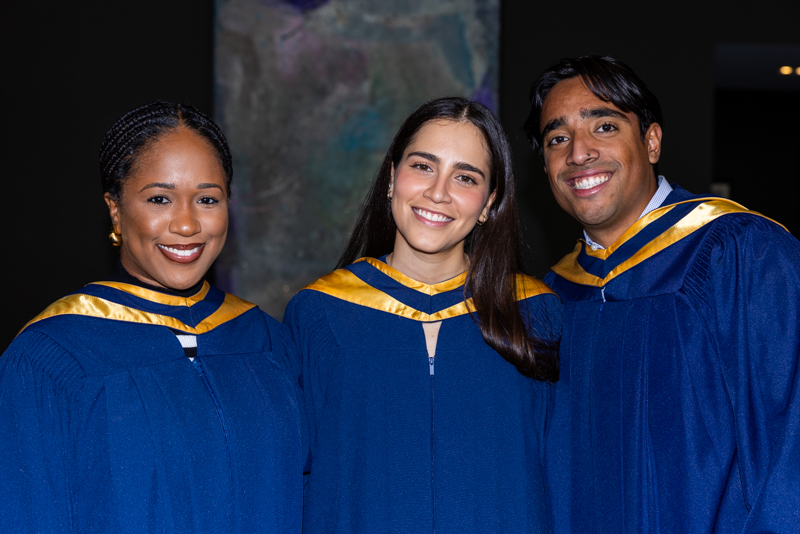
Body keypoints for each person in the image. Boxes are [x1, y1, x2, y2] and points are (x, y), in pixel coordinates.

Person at [523, 55, 800, 533]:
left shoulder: (738, 252)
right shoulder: (551, 298)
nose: (578, 153)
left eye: (604, 126)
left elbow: (788, 445)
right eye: (557, 139)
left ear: (651, 142)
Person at [0, 102, 304, 533]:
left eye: (207, 199)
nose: (187, 224)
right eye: (160, 199)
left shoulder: (267, 341)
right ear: (115, 209)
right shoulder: (52, 357)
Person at [285, 97, 561, 533]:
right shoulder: (322, 315)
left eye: (465, 177)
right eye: (423, 166)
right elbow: (298, 481)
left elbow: (560, 476)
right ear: (392, 177)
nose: (438, 192)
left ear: (488, 202)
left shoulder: (534, 313)